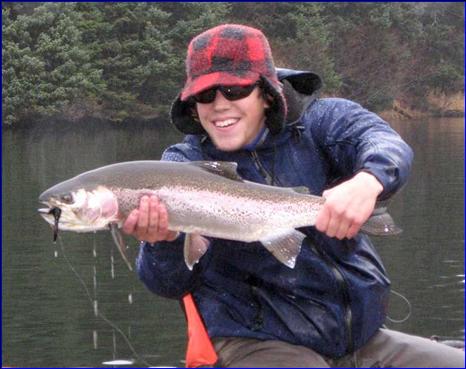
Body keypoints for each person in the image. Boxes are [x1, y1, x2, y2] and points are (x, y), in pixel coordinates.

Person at [123, 24, 465, 367]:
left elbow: (385, 142)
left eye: (234, 89)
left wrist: (368, 181)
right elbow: (167, 284)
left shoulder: (324, 122)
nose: (219, 106)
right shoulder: (182, 165)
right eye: (205, 95)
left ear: (267, 93)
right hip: (254, 343)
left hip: (362, 338)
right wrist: (163, 242)